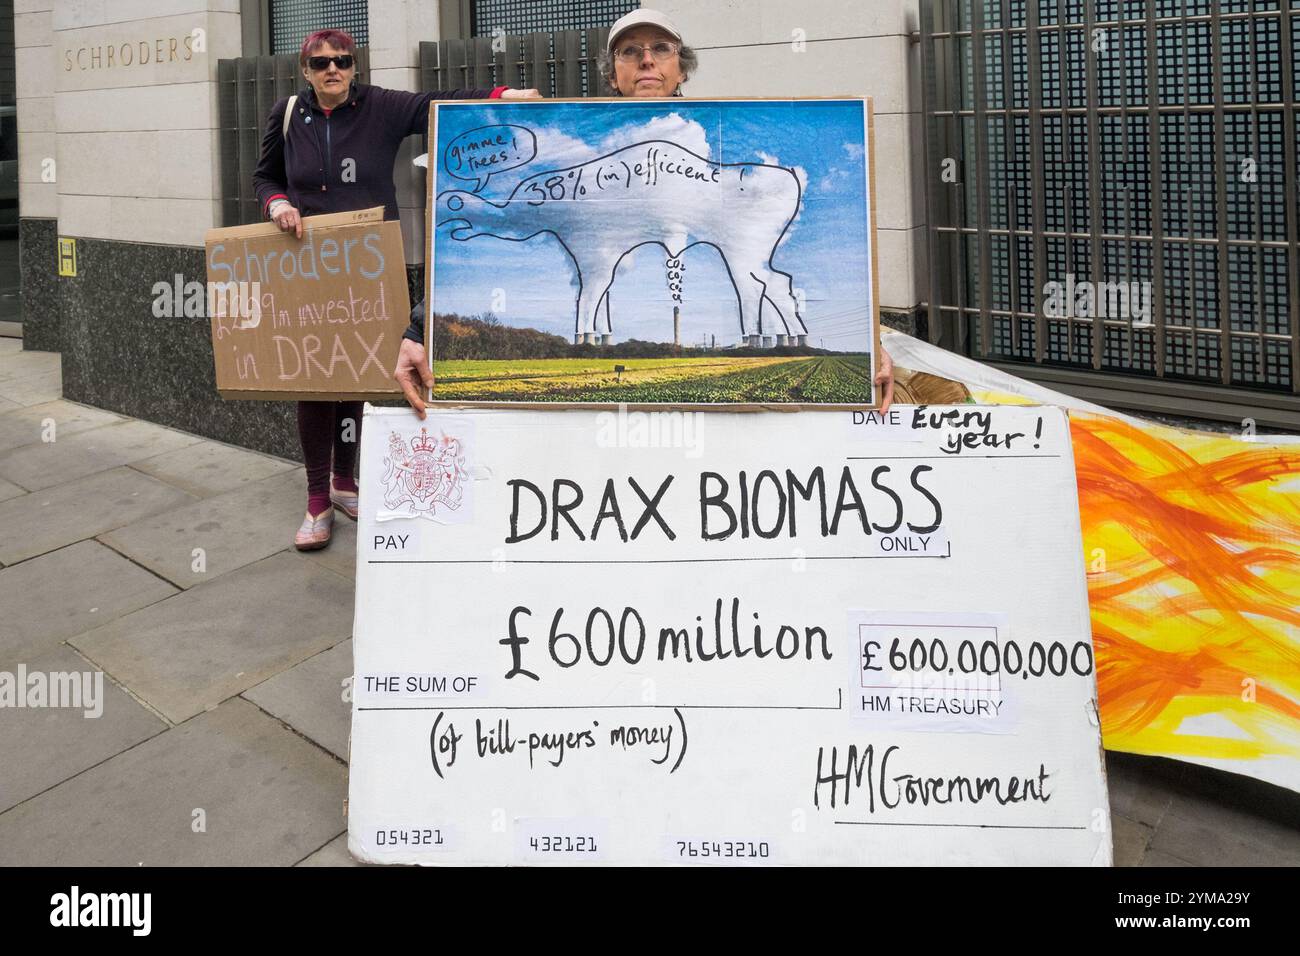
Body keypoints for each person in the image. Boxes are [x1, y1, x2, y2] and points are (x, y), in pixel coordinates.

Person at [393, 8, 894, 415]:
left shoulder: (721, 133)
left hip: (724, 422)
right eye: (631, 53)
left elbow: (835, 253)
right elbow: (464, 258)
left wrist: (872, 346)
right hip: (610, 417)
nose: (647, 61)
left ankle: (781, 340)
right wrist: (420, 331)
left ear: (682, 68)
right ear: (613, 74)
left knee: (752, 274)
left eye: (661, 50)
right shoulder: (570, 147)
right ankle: (596, 347)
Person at [252, 28, 539, 549]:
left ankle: (345, 481)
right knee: (315, 378)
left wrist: (501, 97)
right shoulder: (289, 113)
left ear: (355, 67)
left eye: (341, 61)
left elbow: (437, 103)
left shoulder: (381, 107)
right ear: (306, 71)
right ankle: (317, 497)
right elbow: (264, 177)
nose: (332, 70)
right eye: (320, 64)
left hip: (367, 266)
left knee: (359, 374)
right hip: (307, 264)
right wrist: (277, 204)